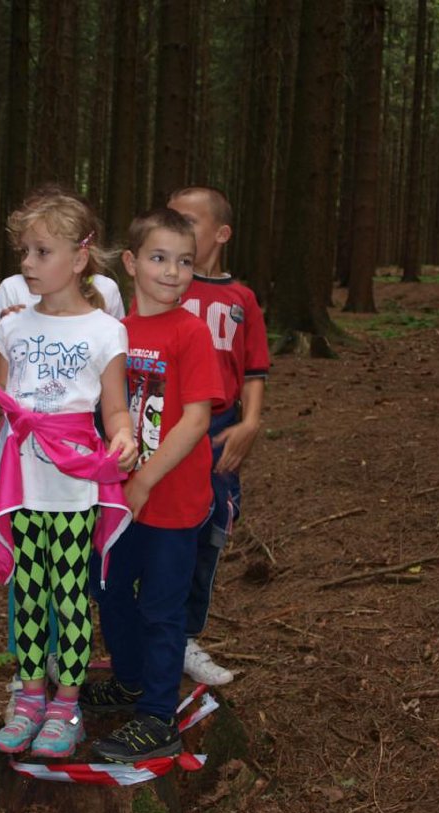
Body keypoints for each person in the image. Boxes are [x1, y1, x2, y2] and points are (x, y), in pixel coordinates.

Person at [0, 190, 138, 758]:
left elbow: (114, 408)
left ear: (79, 258)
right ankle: (31, 697)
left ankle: (67, 707)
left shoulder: (105, 331)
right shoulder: (13, 327)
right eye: (24, 252)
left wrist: (124, 436)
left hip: (75, 485)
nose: (27, 264)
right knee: (29, 592)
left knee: (70, 596)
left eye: (41, 252)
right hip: (22, 485)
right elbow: (9, 403)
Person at [83, 207, 223, 763]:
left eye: (185, 261)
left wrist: (143, 481)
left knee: (162, 608)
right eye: (159, 258)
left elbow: (196, 419)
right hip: (119, 500)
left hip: (172, 500)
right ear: (131, 262)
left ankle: (158, 716)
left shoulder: (190, 332)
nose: (172, 271)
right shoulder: (115, 332)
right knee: (111, 591)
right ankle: (130, 680)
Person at [166, 186, 270, 686]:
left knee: (207, 534)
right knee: (155, 534)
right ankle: (147, 630)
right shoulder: (164, 287)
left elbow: (254, 370)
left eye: (189, 221)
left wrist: (250, 423)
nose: (178, 230)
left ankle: (184, 636)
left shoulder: (240, 300)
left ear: (222, 233)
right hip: (164, 428)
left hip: (218, 431)